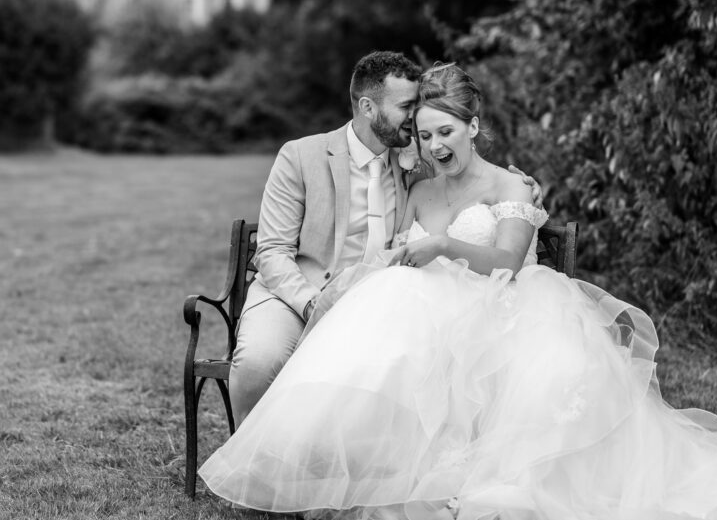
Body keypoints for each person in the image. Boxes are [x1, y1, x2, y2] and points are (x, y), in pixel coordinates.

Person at [201, 64, 717, 520]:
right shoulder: (419, 186)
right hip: (429, 306)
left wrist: (444, 248)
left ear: (474, 126)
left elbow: (505, 260)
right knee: (382, 335)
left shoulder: (510, 185)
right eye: (424, 134)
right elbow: (397, 244)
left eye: (445, 131)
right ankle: (303, 472)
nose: (433, 144)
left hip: (505, 306)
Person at [229, 52, 540, 427]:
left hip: (378, 303)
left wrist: (526, 194)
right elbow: (274, 251)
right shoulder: (301, 156)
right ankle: (251, 465)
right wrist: (314, 304)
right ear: (367, 107)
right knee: (259, 360)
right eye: (407, 107)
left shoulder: (413, 159)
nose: (415, 119)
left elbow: (468, 176)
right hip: (297, 295)